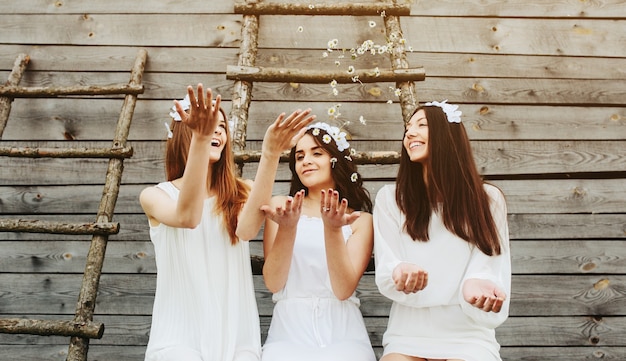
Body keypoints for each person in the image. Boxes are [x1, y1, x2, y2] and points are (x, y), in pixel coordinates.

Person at [139, 83, 314, 361]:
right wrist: (201, 138)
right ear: (186, 133)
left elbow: (246, 231)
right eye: (210, 125)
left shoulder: (242, 190)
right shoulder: (156, 196)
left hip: (236, 338)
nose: (217, 130)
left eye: (222, 126)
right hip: (178, 339)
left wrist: (270, 152)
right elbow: (188, 217)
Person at [373, 100, 511, 361]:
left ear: (447, 136)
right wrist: (398, 271)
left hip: (468, 334)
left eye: (421, 125)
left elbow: (490, 263)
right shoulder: (390, 199)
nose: (410, 133)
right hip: (408, 331)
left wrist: (476, 284)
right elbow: (388, 262)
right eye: (408, 128)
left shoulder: (489, 199)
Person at [260, 122, 377, 361]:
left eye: (317, 153)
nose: (306, 161)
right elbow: (273, 283)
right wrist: (288, 228)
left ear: (336, 160)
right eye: (299, 156)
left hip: (343, 330)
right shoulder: (281, 207)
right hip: (288, 330)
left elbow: (343, 289)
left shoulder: (359, 221)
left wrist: (333, 229)